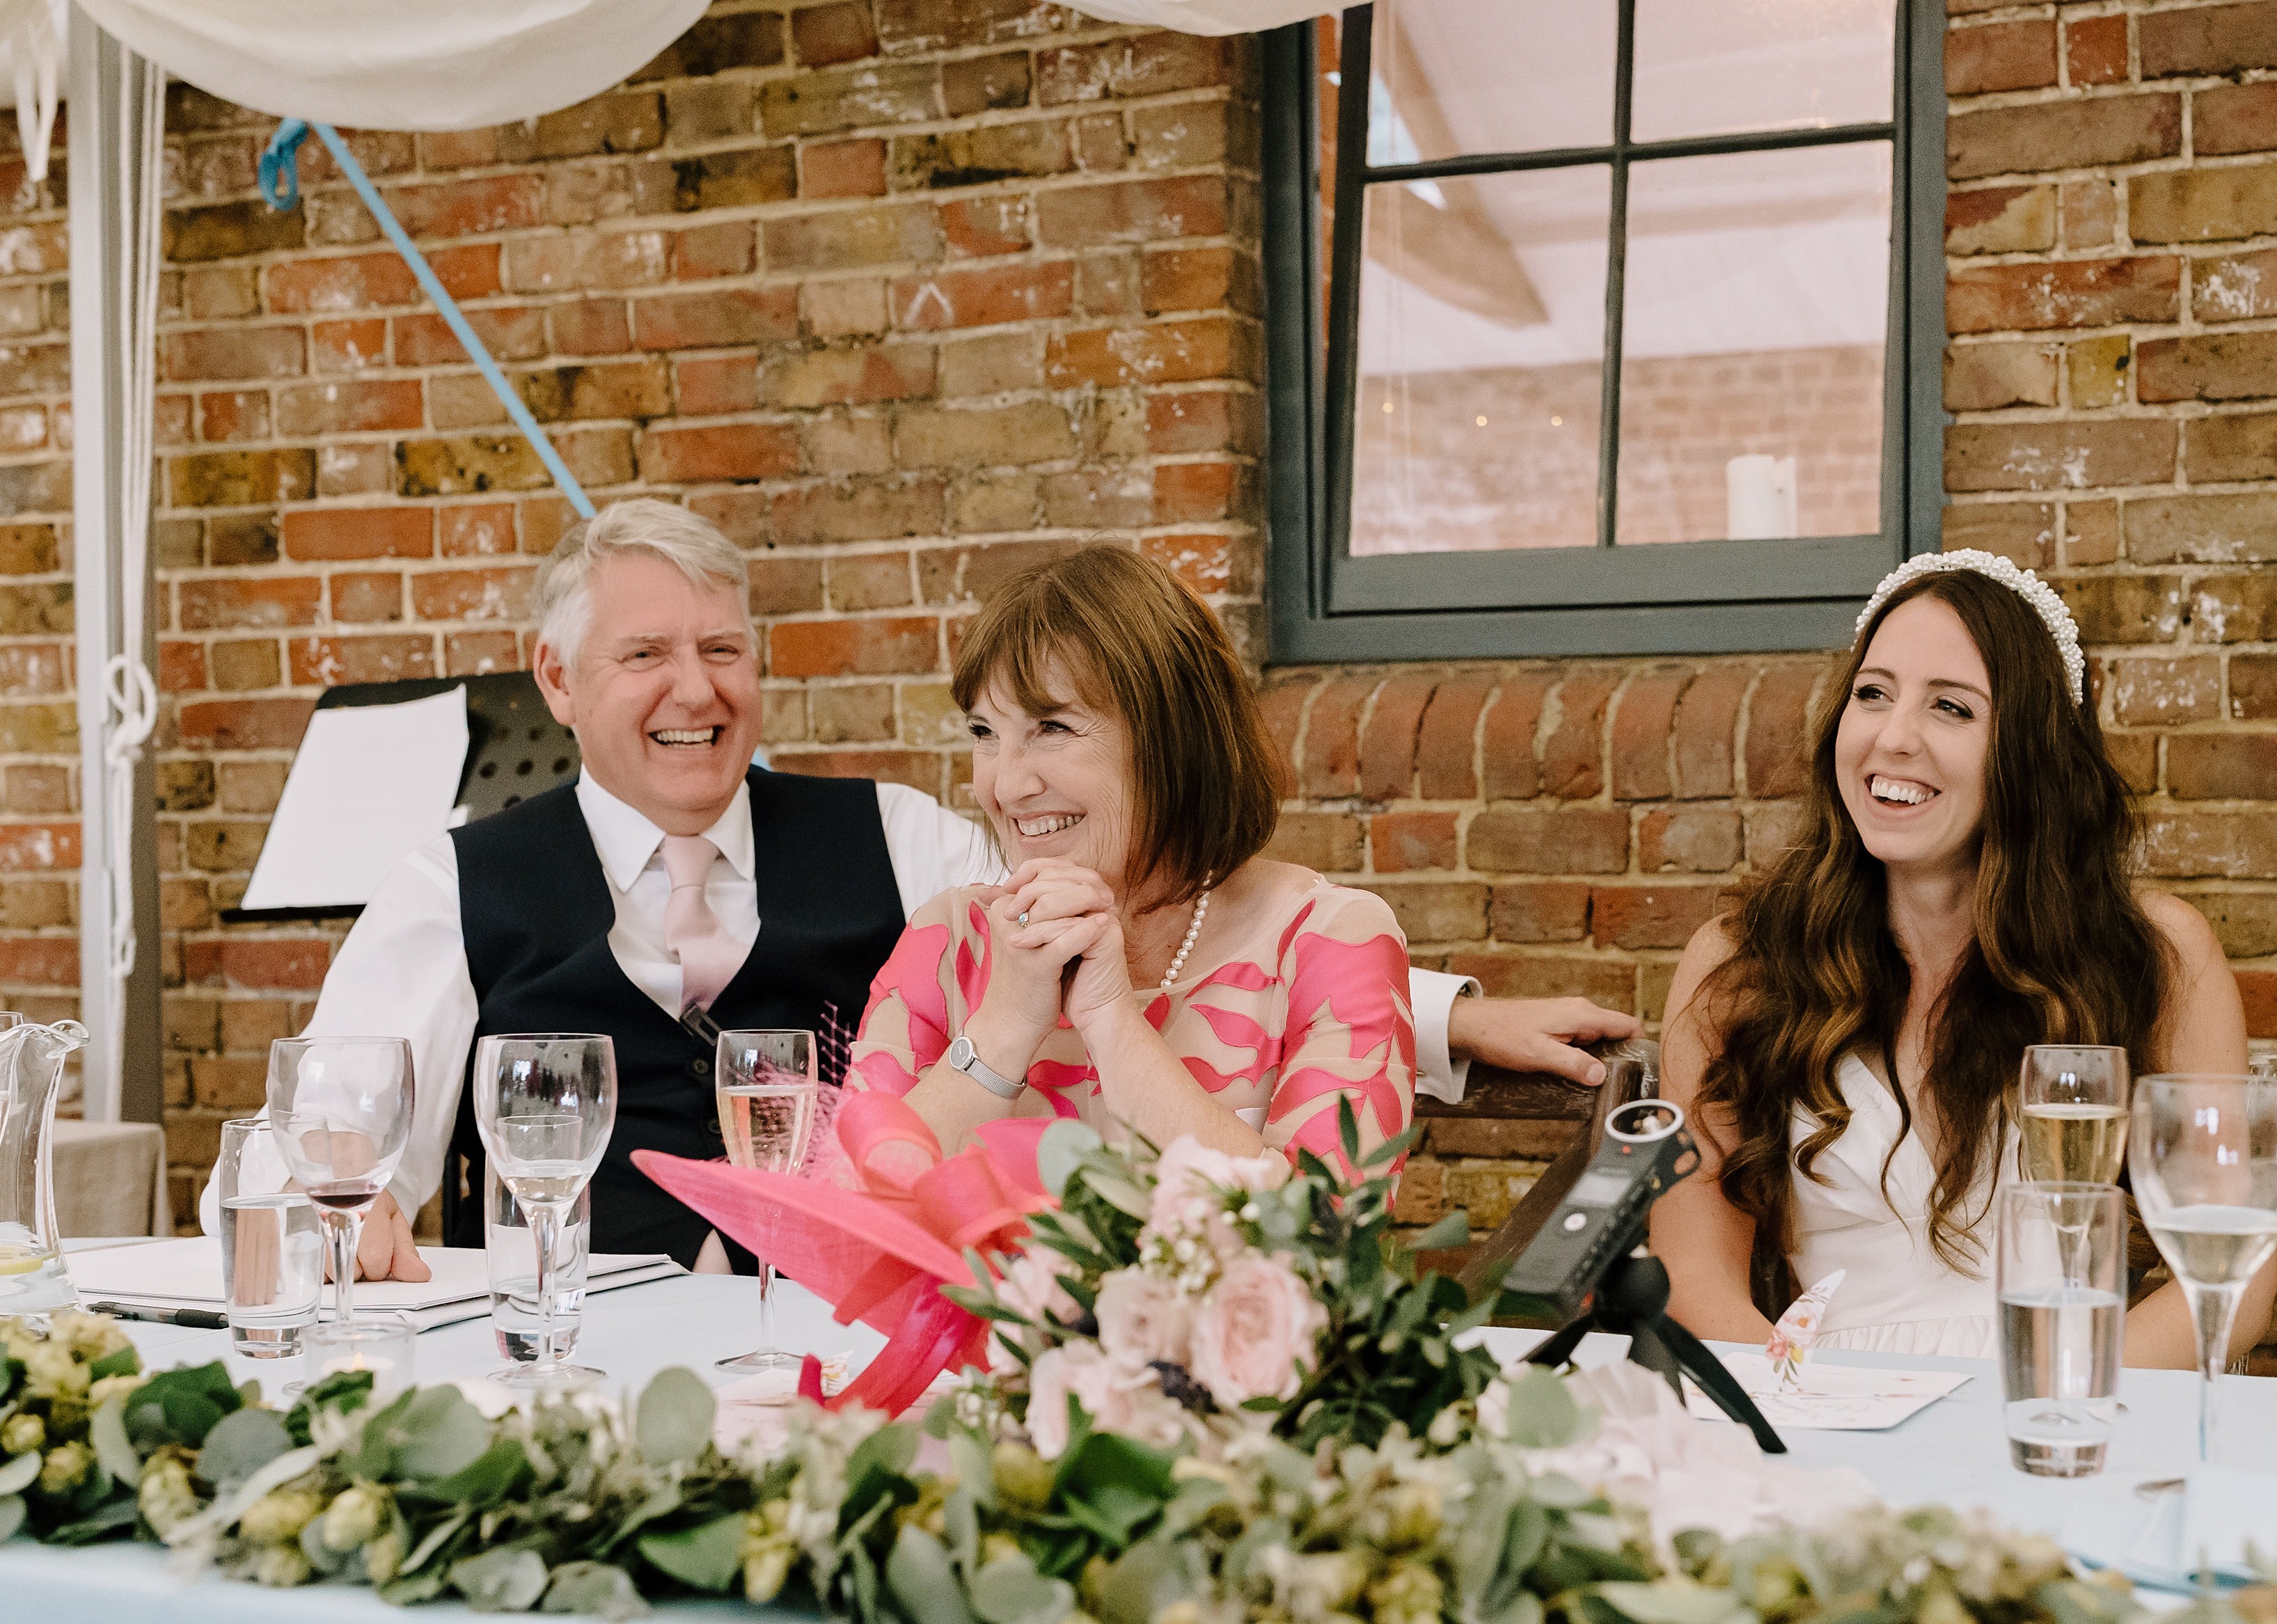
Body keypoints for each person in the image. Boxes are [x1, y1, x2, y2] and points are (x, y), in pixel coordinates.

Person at [198, 500, 1639, 1274]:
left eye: (725, 649)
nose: (697, 690)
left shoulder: (897, 838)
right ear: (559, 681)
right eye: (646, 656)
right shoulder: (451, 883)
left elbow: (1148, 914)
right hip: (592, 1332)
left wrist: (1448, 1012)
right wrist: (342, 1211)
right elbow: (322, 1127)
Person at [1648, 551, 2262, 1368]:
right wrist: (1809, 1415)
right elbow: (1693, 1277)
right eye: (1872, 693)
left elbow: (2230, 1282)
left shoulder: (2153, 952)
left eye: (1950, 707)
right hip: (1826, 1412)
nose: (1892, 736)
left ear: (2029, 753)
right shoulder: (1741, 964)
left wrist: (2048, 1399)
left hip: (2065, 1398)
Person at [848, 546, 1408, 1175]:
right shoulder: (951, 941)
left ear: (1174, 737)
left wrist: (1113, 1023)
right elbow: (843, 1221)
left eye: (1052, 727)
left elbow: (1327, 1240)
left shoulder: (1326, 942)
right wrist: (1003, 1027)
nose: (1005, 787)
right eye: (985, 734)